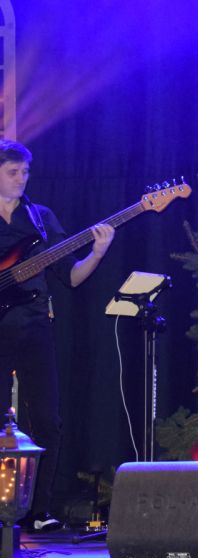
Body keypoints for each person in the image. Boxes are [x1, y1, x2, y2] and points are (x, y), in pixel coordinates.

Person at [0, 139, 114, 529]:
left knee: (48, 421)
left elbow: (72, 277)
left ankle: (37, 511)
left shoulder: (40, 218)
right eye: (13, 172)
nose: (21, 179)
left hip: (34, 326)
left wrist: (97, 253)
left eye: (25, 172)